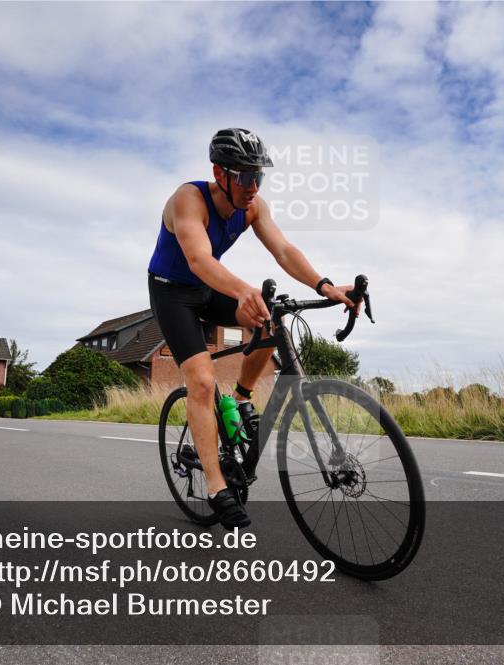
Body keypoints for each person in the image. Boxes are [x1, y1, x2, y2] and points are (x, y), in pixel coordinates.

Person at [148, 128, 356, 529]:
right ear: (219, 173)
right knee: (204, 383)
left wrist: (324, 285)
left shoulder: (253, 206)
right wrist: (243, 289)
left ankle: (242, 398)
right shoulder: (188, 199)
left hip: (210, 288)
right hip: (174, 293)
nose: (252, 186)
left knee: (270, 318)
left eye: (258, 176)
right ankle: (216, 486)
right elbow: (197, 259)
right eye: (244, 176)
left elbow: (283, 250)